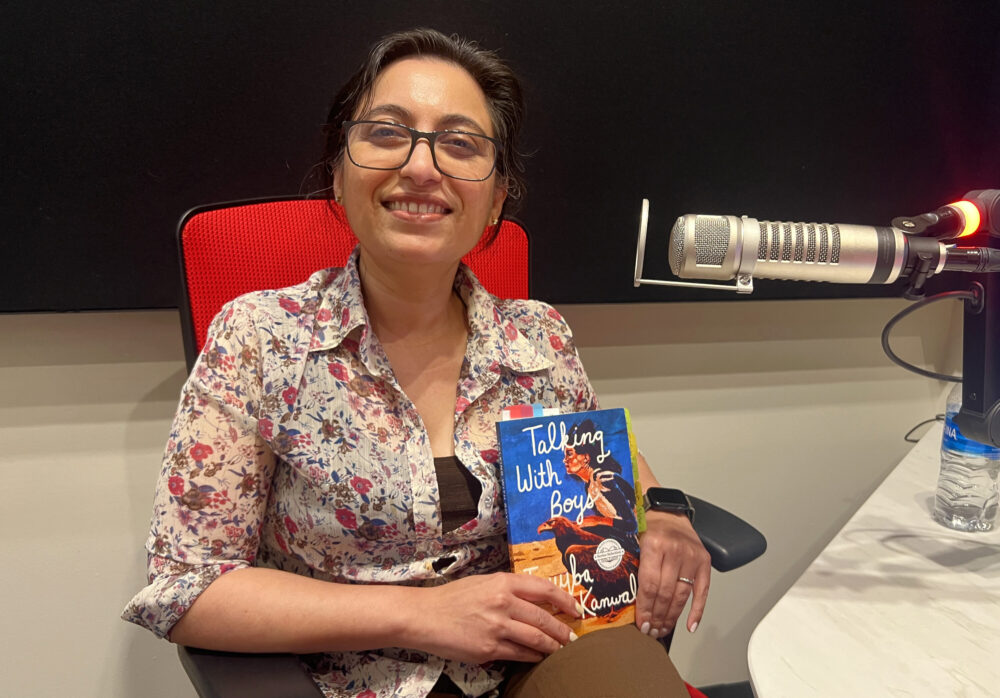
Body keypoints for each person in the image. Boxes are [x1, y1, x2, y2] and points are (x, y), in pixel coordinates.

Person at [123, 27, 712, 698]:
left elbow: (589, 461)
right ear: (337, 175)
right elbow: (188, 588)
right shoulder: (260, 338)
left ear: (494, 198)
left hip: (529, 658)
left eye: (460, 144)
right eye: (387, 133)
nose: (423, 167)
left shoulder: (538, 337)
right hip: (343, 678)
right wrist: (426, 614)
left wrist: (661, 509)